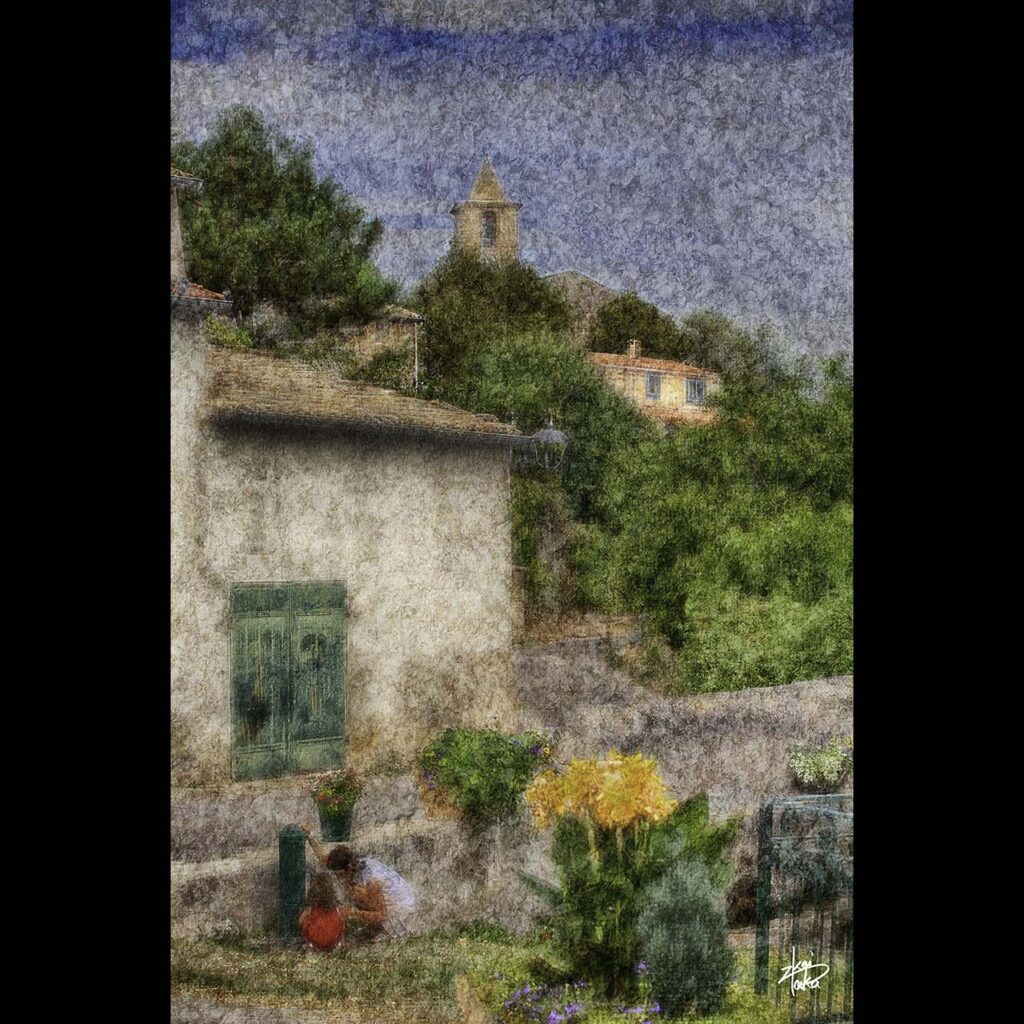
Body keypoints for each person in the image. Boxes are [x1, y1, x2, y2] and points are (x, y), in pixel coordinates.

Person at [301, 825, 416, 942]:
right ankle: (373, 929)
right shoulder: (354, 863)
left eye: (339, 874)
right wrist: (310, 837)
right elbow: (324, 859)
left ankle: (382, 931)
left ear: (349, 868)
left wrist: (352, 912)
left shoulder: (371, 881)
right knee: (353, 891)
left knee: (354, 893)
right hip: (395, 906)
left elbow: (382, 915)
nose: (338, 878)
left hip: (402, 917)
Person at [298, 873, 345, 951]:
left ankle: (310, 945)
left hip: (314, 942)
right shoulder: (335, 908)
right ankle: (338, 946)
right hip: (332, 943)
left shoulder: (311, 907)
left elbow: (300, 922)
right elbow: (342, 925)